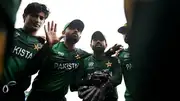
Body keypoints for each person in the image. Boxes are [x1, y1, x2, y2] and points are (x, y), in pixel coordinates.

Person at [26, 19, 120, 101]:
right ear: (63, 32)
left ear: (80, 36)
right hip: (38, 96)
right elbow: (31, 69)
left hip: (59, 97)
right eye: (72, 28)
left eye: (79, 30)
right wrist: (47, 46)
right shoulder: (51, 46)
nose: (76, 30)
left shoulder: (81, 55)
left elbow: (97, 57)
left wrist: (110, 52)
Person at [0, 2, 50, 101]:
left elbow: (36, 69)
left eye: (41, 18)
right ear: (24, 16)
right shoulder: (9, 33)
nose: (37, 20)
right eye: (34, 16)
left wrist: (49, 46)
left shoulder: (42, 45)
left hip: (16, 94)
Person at [77, 31, 122, 101]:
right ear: (90, 45)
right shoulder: (84, 61)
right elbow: (76, 82)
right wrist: (90, 79)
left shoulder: (114, 60)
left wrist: (105, 84)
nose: (98, 41)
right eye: (95, 39)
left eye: (101, 39)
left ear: (106, 44)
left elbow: (118, 78)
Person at [117, 23, 133, 101]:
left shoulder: (149, 51)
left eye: (128, 31)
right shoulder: (121, 55)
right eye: (124, 32)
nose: (125, 34)